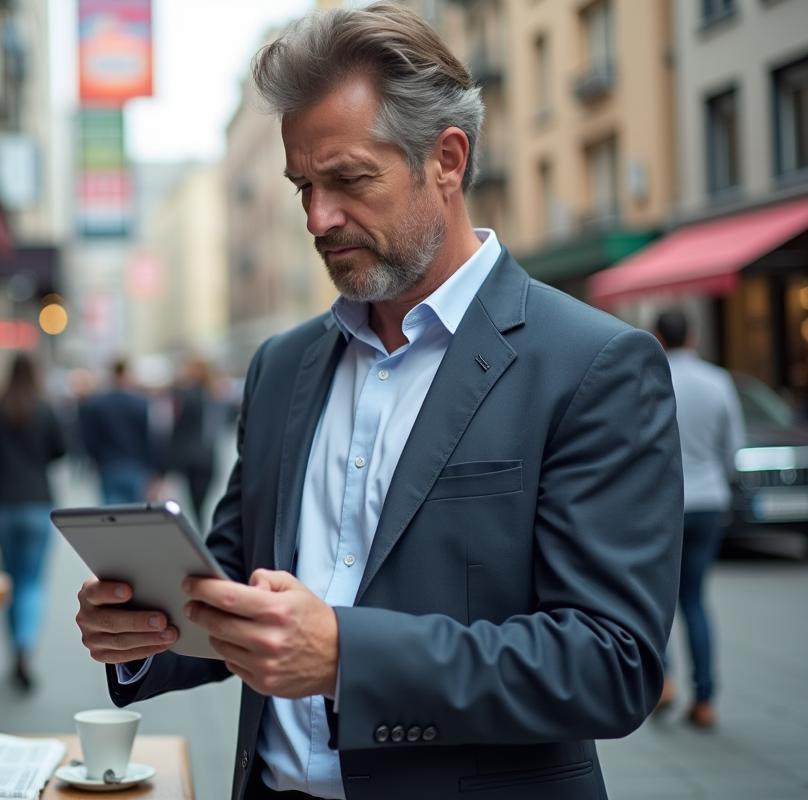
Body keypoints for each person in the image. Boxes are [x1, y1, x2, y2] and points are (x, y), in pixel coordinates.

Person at [74, 5, 683, 799]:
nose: (319, 218)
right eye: (303, 186)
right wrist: (147, 631)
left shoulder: (594, 365)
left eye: (350, 179)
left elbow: (612, 663)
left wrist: (347, 657)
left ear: (448, 160)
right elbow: (239, 578)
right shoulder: (282, 366)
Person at [652, 308, 745, 730]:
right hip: (708, 501)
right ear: (692, 337)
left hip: (663, 503)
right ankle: (705, 699)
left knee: (659, 599)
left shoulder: (649, 376)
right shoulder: (718, 381)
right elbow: (734, 448)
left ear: (658, 336)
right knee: (695, 599)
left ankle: (663, 680)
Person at [0, 354, 67, 691]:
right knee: (32, 582)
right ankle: (24, 646)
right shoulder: (45, 409)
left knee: (10, 582)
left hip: (0, 504)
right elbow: (61, 450)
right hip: (37, 503)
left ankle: (14, 647)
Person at [79, 358, 153, 504]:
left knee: (112, 515)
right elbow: (150, 438)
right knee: (135, 513)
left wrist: (96, 459)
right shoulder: (141, 403)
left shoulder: (98, 404)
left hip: (109, 466)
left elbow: (90, 438)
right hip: (136, 466)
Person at [166, 357, 221, 529]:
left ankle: (200, 531)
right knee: (201, 504)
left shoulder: (186, 396)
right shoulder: (213, 395)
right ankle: (203, 530)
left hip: (191, 457)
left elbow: (178, 430)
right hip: (208, 456)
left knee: (195, 504)